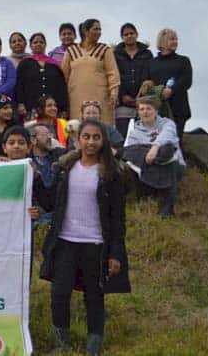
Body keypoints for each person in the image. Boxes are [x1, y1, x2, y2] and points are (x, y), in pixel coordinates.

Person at [40, 119, 130, 356]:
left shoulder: (112, 174)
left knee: (94, 297)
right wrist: (36, 178)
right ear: (78, 139)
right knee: (59, 293)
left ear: (103, 141)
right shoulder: (65, 168)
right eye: (86, 137)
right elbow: (50, 201)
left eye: (96, 137)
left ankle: (93, 349)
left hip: (96, 245)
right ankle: (62, 345)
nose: (90, 142)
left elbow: (118, 218)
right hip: (65, 242)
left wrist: (115, 254)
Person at [124, 95, 185, 217]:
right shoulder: (135, 132)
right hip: (148, 166)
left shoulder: (167, 124)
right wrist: (147, 153)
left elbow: (167, 136)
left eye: (148, 109)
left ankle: (167, 207)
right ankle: (143, 199)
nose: (145, 112)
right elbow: (130, 152)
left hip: (170, 165)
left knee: (167, 149)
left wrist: (155, 147)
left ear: (156, 111)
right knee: (133, 152)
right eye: (142, 109)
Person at [62, 19, 120, 124]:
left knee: (102, 129)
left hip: (101, 98)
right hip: (76, 98)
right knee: (77, 128)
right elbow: (63, 77)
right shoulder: (71, 51)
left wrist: (114, 93)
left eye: (100, 29)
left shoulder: (105, 50)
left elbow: (113, 73)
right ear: (86, 31)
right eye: (95, 29)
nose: (99, 32)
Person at [149, 28, 193, 144]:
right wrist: (158, 91)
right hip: (157, 109)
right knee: (156, 142)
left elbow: (187, 81)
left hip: (178, 109)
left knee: (175, 143)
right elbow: (146, 83)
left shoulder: (183, 61)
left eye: (176, 39)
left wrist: (171, 90)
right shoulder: (152, 63)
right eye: (172, 39)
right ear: (162, 41)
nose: (175, 42)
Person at [16, 32, 68, 120]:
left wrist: (64, 108)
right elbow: (19, 84)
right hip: (31, 107)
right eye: (35, 42)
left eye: (41, 42)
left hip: (52, 108)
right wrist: (20, 103)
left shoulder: (54, 64)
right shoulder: (25, 63)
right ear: (31, 46)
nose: (38, 44)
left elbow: (61, 87)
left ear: (45, 44)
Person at [114, 23, 153, 138]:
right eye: (126, 34)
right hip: (123, 101)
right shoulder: (116, 54)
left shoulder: (147, 53)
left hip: (142, 100)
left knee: (143, 136)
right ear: (122, 37)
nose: (129, 36)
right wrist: (122, 95)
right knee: (120, 136)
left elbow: (149, 75)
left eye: (131, 33)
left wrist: (141, 96)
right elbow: (115, 75)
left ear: (136, 35)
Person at [28, 124, 66, 226]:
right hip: (35, 216)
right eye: (45, 135)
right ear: (33, 139)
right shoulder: (27, 160)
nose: (50, 137)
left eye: (50, 134)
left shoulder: (58, 155)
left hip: (57, 213)